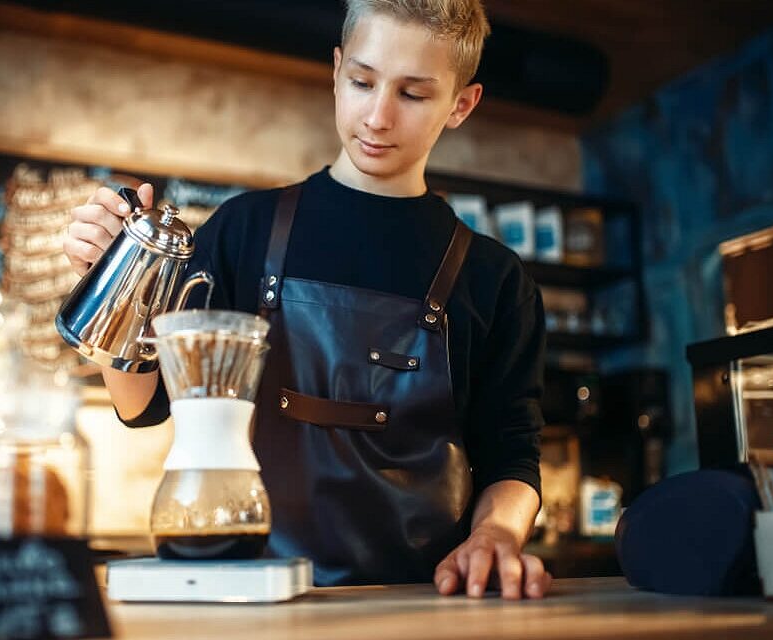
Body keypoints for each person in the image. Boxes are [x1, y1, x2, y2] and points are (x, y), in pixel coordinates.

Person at [64, 0, 551, 599]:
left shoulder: (494, 278)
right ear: (337, 67)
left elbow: (511, 454)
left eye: (413, 94)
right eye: (363, 81)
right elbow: (147, 404)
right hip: (249, 593)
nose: (377, 116)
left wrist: (498, 532)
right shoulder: (244, 228)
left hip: (425, 603)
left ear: (461, 104)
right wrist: (112, 282)